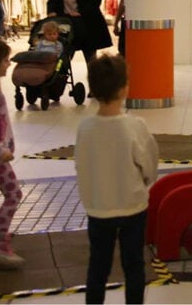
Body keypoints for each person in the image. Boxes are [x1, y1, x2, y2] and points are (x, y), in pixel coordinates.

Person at [75, 55, 158, 304]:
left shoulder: (85, 128)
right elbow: (149, 164)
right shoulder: (135, 126)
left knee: (98, 266)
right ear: (124, 88)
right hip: (132, 205)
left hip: (98, 208)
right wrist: (144, 182)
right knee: (134, 264)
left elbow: (81, 165)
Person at [0, 40, 23, 269]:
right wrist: (0, 150)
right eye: (5, 60)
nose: (8, 63)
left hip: (0, 154)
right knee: (13, 194)